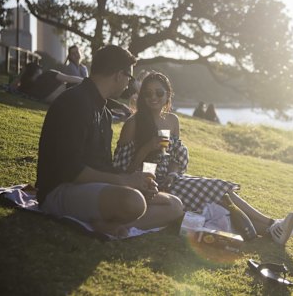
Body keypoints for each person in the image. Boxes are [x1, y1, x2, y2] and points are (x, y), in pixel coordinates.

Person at [113, 72, 293, 245]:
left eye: (159, 93)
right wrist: (147, 148)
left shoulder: (172, 121)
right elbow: (123, 170)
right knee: (218, 190)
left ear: (167, 95)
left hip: (171, 180)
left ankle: (273, 230)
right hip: (149, 185)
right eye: (148, 93)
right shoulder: (133, 124)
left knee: (221, 202)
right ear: (143, 97)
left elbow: (176, 156)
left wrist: (172, 173)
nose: (153, 97)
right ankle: (273, 224)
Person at [36, 46, 184, 237]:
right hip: (60, 189)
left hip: (93, 187)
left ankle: (111, 224)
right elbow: (70, 170)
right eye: (129, 78)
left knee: (174, 205)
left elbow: (104, 165)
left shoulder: (104, 112)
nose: (128, 84)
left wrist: (136, 181)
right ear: (117, 75)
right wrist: (123, 181)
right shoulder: (74, 102)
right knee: (134, 201)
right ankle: (111, 219)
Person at [14, 62, 83, 103]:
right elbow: (68, 78)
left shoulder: (26, 89)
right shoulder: (48, 74)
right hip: (70, 93)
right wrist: (85, 80)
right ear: (37, 70)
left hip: (63, 101)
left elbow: (12, 87)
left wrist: (21, 75)